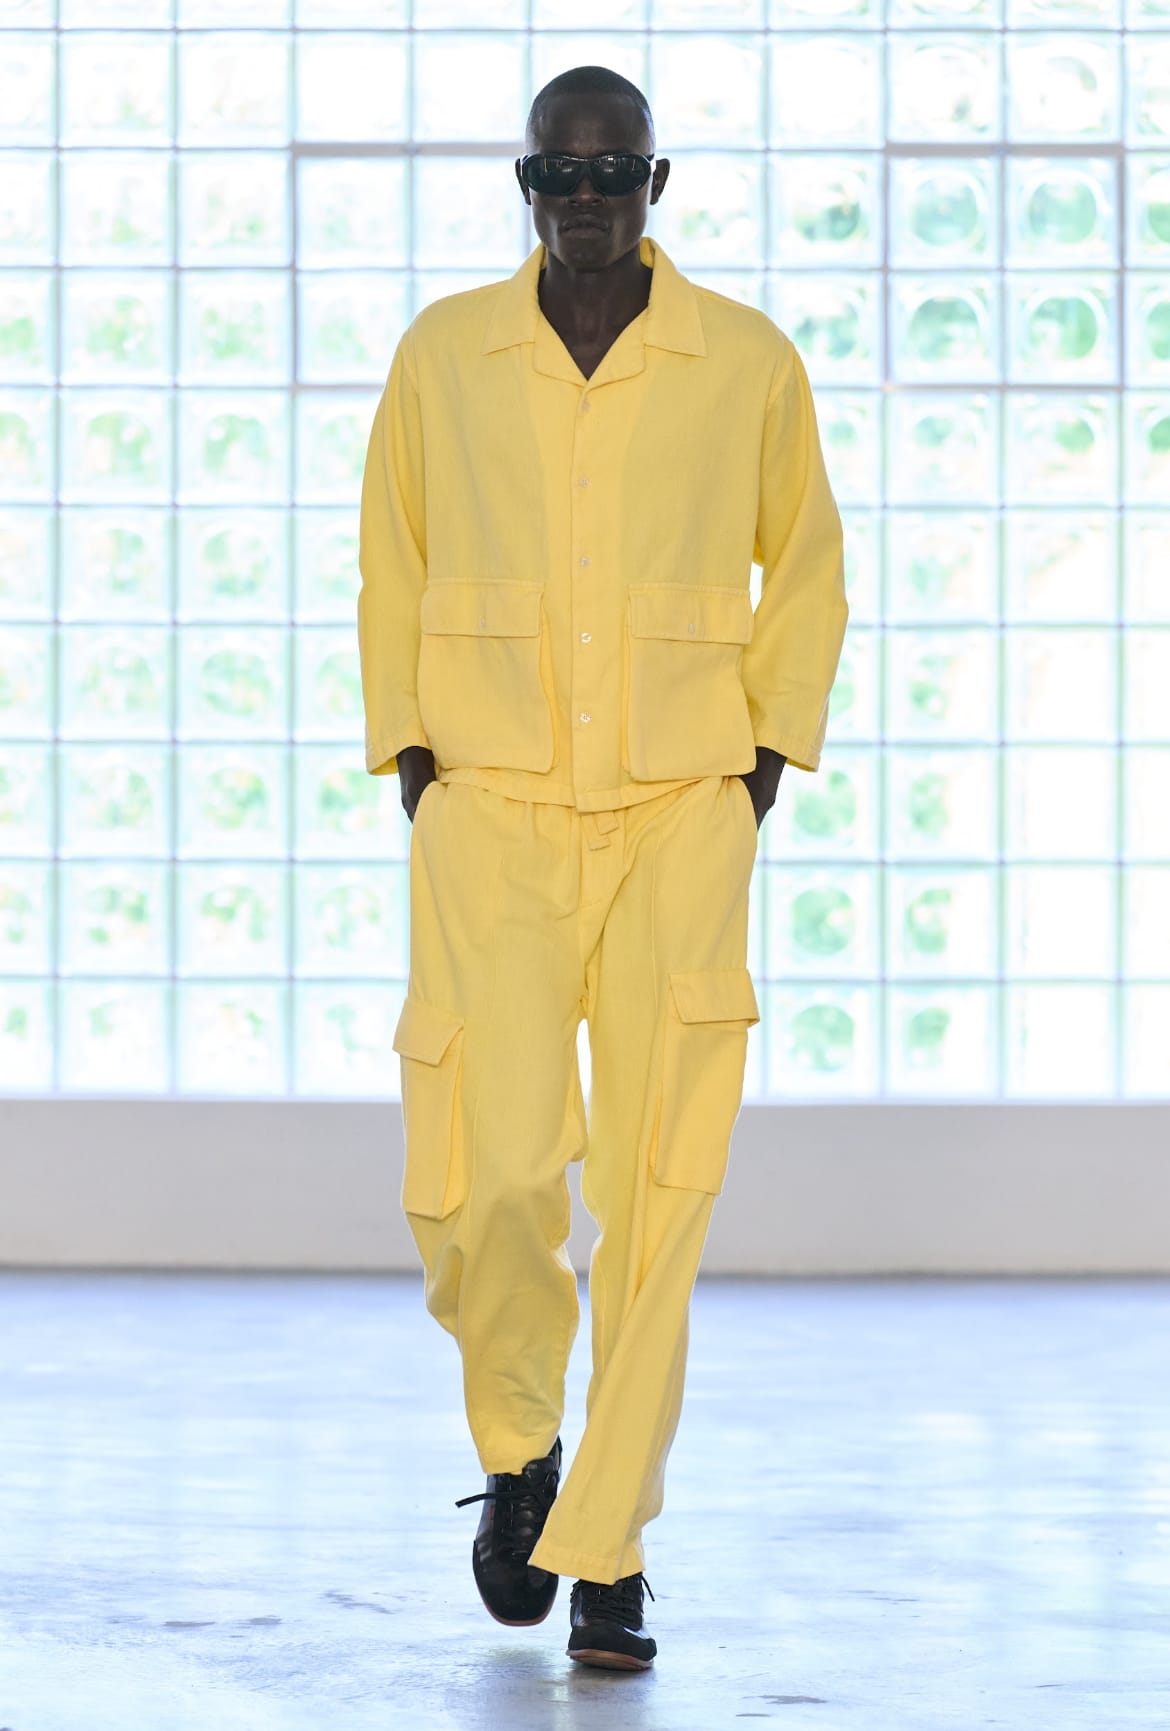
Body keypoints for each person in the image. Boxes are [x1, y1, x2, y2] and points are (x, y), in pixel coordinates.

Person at [357, 63, 848, 1673]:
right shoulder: (445, 355)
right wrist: (413, 756)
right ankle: (520, 1452)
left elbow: (808, 563)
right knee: (487, 1174)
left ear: (654, 180)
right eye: (554, 175)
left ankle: (610, 1551)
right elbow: (390, 556)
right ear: (525, 185)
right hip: (488, 811)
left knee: (658, 1188)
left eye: (610, 171)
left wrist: (757, 764)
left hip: (676, 818)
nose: (581, 198)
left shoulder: (743, 360)